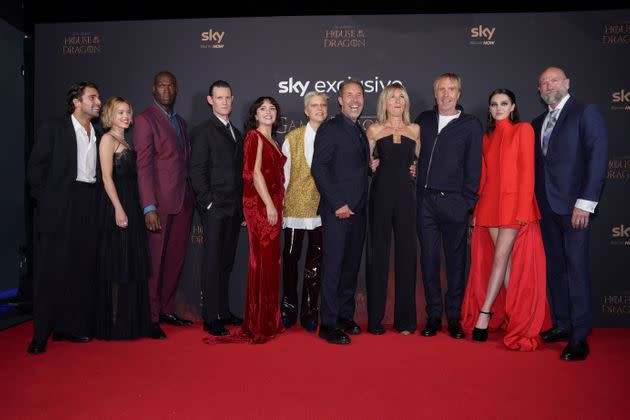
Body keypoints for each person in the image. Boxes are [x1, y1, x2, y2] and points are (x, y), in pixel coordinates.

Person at [460, 89, 551, 351]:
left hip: (513, 207)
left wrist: (523, 209)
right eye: (494, 104)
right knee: (506, 263)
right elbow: (484, 177)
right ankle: (518, 318)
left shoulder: (523, 130)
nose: (498, 108)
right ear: (489, 109)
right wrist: (477, 210)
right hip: (489, 205)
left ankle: (484, 314)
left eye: (503, 104)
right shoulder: (487, 137)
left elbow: (527, 172)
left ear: (513, 107)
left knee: (501, 259)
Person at [533, 67, 608, 361]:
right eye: (543, 83)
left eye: (553, 80)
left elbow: (597, 157)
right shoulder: (538, 121)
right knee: (556, 267)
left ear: (567, 83)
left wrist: (585, 202)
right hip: (546, 208)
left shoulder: (585, 112)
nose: (548, 85)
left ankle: (579, 335)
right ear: (539, 90)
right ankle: (562, 324)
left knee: (576, 268)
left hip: (575, 208)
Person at [26, 81, 102, 354]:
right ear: (76, 102)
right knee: (50, 273)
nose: (98, 102)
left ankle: (70, 328)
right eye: (92, 97)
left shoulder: (98, 132)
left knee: (81, 270)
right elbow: (36, 170)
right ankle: (40, 335)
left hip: (88, 202)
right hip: (59, 207)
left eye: (98, 98)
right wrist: (47, 204)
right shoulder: (54, 127)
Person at [206, 96, 286, 344]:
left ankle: (268, 320)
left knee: (270, 265)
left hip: (272, 207)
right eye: (263, 108)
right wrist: (270, 206)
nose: (268, 112)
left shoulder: (273, 140)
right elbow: (254, 174)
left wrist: (277, 205)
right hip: (262, 208)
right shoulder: (254, 137)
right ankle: (259, 322)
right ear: (255, 114)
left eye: (272, 108)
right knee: (261, 264)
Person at [415, 73, 483, 339]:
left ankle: (453, 317)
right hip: (425, 203)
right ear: (435, 93)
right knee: (429, 261)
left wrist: (467, 203)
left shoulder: (470, 125)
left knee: (456, 263)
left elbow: (474, 168)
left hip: (455, 202)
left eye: (451, 89)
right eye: (441, 89)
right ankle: (433, 316)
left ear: (459, 93)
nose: (446, 94)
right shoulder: (424, 120)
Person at [134, 71, 194, 337]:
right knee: (155, 263)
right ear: (153, 89)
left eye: (171, 84)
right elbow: (143, 166)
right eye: (161, 85)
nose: (166, 89)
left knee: (175, 260)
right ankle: (150, 316)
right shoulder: (146, 120)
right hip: (159, 205)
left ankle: (168, 308)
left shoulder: (180, 122)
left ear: (177, 88)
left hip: (183, 203)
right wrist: (149, 206)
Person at [311, 79, 369, 345]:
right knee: (333, 267)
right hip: (338, 211)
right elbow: (319, 169)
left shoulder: (358, 130)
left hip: (358, 212)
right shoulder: (331, 128)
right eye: (350, 95)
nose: (355, 99)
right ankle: (329, 323)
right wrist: (337, 204)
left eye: (359, 95)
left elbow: (352, 168)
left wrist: (371, 166)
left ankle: (345, 316)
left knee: (350, 267)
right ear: (340, 100)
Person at [95, 97, 155, 340]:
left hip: (131, 205)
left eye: (128, 112)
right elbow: (107, 178)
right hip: (115, 207)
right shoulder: (108, 139)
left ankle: (130, 322)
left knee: (130, 263)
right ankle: (114, 324)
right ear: (110, 114)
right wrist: (119, 209)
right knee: (118, 264)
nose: (126, 117)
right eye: (120, 112)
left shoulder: (126, 141)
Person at [189, 80, 244, 337]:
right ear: (210, 100)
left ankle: (223, 310)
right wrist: (208, 202)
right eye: (219, 98)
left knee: (225, 262)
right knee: (212, 262)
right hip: (214, 208)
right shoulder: (203, 131)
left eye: (228, 97)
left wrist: (242, 209)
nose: (224, 102)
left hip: (233, 208)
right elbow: (197, 170)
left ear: (232, 100)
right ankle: (211, 317)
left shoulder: (237, 132)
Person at [365, 82, 420, 335]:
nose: (398, 101)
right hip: (381, 196)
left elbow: (417, 164)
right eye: (392, 97)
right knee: (378, 254)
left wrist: (416, 170)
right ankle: (375, 319)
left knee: (407, 255)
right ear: (384, 103)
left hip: (407, 198)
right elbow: (364, 165)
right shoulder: (373, 129)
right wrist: (369, 166)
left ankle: (405, 320)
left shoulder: (415, 129)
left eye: (402, 97)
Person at [280, 91, 327, 332]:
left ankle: (310, 312)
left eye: (323, 105)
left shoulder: (333, 137)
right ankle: (288, 309)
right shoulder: (292, 137)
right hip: (295, 209)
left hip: (322, 209)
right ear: (306, 110)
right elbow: (283, 177)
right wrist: (280, 208)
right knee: (290, 260)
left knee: (316, 263)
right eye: (314, 105)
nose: (319, 108)